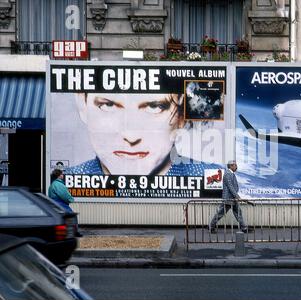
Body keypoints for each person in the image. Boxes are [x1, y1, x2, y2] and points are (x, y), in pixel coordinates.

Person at [65, 92, 219, 176]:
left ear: (181, 116)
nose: (131, 136)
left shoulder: (211, 176)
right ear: (82, 105)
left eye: (154, 106)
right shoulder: (67, 180)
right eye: (108, 105)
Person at [209, 160, 251, 233]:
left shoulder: (231, 174)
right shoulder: (228, 174)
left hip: (233, 198)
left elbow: (232, 187)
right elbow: (230, 187)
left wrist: (236, 197)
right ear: (231, 166)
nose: (236, 167)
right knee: (220, 214)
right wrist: (237, 196)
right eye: (235, 165)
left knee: (238, 212)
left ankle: (244, 228)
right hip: (228, 199)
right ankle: (211, 226)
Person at [48, 169, 82, 237]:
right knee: (72, 216)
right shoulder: (58, 184)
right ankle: (74, 232)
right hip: (60, 203)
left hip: (54, 203)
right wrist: (71, 199)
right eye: (61, 174)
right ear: (59, 175)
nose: (63, 175)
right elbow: (64, 195)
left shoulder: (53, 184)